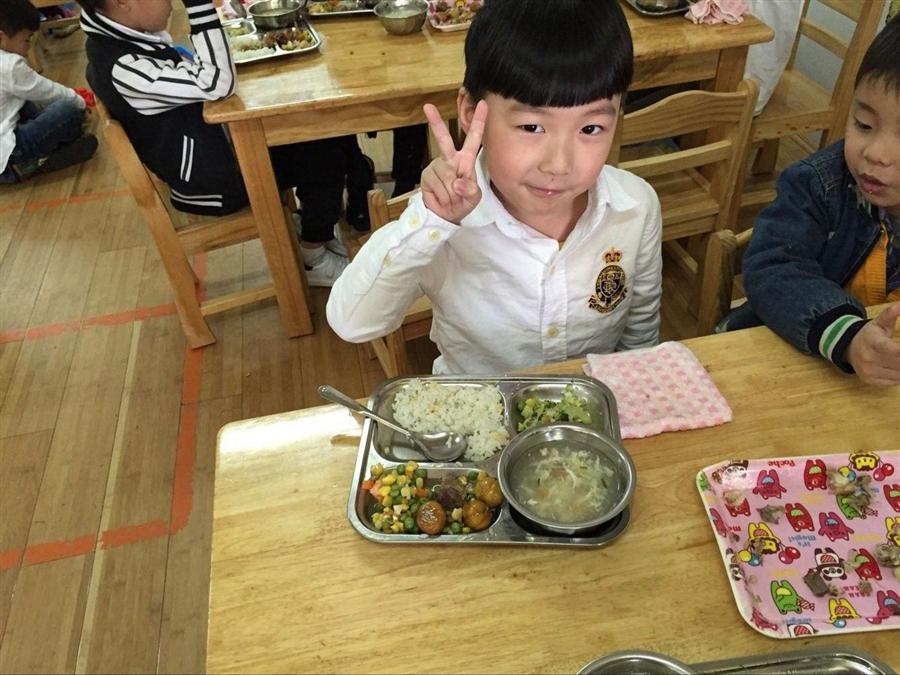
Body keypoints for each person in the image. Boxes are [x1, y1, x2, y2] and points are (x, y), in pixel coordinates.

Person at [327, 0, 662, 375]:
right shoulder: (444, 224)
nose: (559, 165)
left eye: (590, 128)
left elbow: (640, 334)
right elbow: (352, 323)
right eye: (532, 127)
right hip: (477, 404)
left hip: (588, 402)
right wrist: (430, 224)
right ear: (472, 113)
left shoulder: (636, 207)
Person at [75, 0, 367, 287]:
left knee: (322, 131)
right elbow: (217, 83)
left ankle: (316, 226)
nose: (172, 5)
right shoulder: (122, 67)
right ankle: (313, 257)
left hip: (213, 148)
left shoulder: (121, 36)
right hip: (210, 181)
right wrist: (200, 8)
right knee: (322, 149)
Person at [721, 16, 900, 387]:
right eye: (864, 125)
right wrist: (848, 336)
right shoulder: (819, 184)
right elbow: (773, 267)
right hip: (787, 363)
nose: (876, 153)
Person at [0, 0, 97, 184]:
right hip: (9, 155)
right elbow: (49, 91)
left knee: (25, 101)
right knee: (68, 111)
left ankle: (41, 155)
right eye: (27, 39)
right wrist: (79, 102)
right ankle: (31, 163)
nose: (28, 47)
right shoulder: (9, 65)